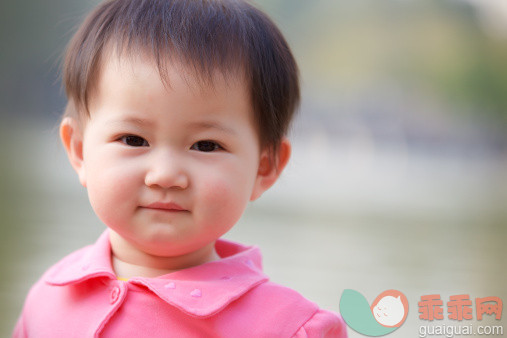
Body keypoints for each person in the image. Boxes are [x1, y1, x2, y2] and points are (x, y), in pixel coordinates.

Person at [14, 0, 347, 336]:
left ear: (265, 167)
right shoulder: (49, 298)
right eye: (133, 139)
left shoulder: (289, 328)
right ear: (80, 150)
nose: (165, 175)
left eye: (206, 145)